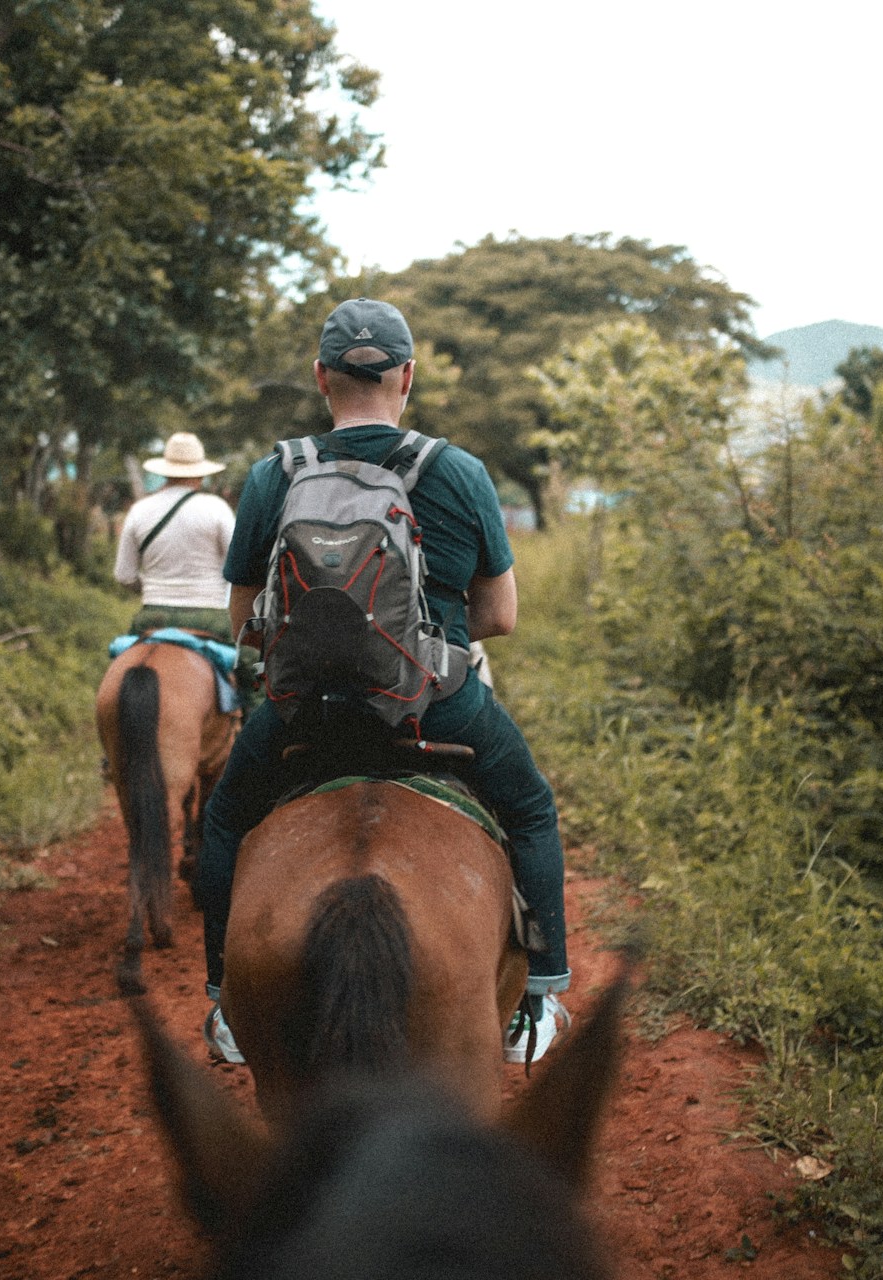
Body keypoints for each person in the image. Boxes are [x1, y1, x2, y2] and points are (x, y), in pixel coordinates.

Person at [198, 298, 571, 1064]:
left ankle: (225, 1008)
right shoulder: (458, 471)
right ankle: (539, 999)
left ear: (320, 378)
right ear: (408, 376)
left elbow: (244, 617)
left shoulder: (277, 473)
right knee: (530, 806)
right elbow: (499, 615)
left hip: (303, 714)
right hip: (438, 706)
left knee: (228, 817)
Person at [113, 432, 238, 643]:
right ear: (201, 474)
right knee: (248, 666)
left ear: (165, 472)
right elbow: (238, 565)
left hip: (153, 616)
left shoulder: (139, 510)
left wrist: (157, 590)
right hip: (208, 616)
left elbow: (125, 575)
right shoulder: (217, 509)